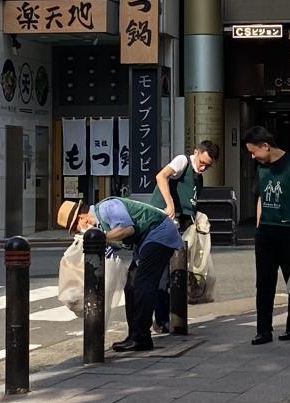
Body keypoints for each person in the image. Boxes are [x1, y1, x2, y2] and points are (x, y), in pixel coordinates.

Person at [56, 195, 181, 352]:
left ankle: (141, 337)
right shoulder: (99, 224)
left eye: (76, 227)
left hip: (159, 234)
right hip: (146, 241)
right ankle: (135, 335)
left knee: (142, 285)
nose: (79, 231)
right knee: (131, 287)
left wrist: (102, 237)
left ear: (82, 218)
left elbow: (127, 229)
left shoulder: (108, 208)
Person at [244, 126, 290, 346]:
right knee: (264, 283)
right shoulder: (262, 168)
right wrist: (258, 228)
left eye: (253, 151)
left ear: (265, 146)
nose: (252, 156)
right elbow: (260, 198)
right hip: (266, 232)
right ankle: (263, 330)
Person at [147, 140, 219, 333]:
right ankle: (160, 319)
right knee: (164, 273)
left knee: (176, 272)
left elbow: (191, 204)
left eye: (208, 166)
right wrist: (169, 203)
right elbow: (161, 176)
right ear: (196, 152)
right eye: (202, 162)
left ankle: (167, 319)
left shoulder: (198, 178)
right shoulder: (183, 161)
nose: (203, 167)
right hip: (163, 222)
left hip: (179, 226)